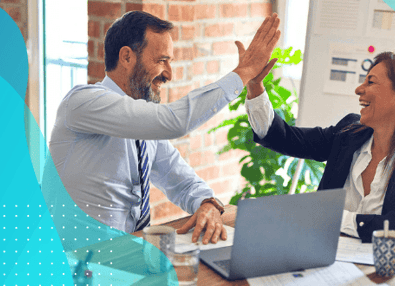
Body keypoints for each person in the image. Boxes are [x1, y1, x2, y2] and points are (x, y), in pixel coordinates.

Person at [49, 11, 280, 244]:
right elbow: (174, 121)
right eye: (161, 61)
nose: (169, 74)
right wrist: (243, 73)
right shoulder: (82, 102)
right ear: (127, 57)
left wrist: (207, 203)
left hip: (128, 257)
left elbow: (181, 180)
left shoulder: (143, 126)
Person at [245, 51, 395, 252]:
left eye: (370, 82)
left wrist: (329, 216)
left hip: (391, 274)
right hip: (326, 259)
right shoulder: (348, 133)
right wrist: (255, 86)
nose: (358, 89)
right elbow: (285, 138)